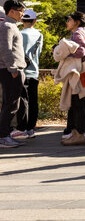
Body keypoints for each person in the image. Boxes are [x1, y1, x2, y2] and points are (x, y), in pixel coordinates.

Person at [59, 11, 85, 146]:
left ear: (76, 22)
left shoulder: (78, 34)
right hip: (82, 72)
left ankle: (79, 134)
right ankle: (76, 133)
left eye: (69, 20)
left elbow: (81, 51)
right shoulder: (84, 32)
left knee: (77, 104)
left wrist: (65, 53)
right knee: (78, 103)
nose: (67, 22)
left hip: (77, 73)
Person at [0, 0, 27, 149]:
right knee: (11, 105)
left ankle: (5, 134)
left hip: (13, 70)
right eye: (21, 10)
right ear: (12, 11)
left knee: (10, 104)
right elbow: (6, 49)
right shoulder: (7, 26)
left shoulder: (11, 26)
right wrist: (13, 69)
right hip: (10, 71)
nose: (23, 14)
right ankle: (3, 137)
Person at [12, 8, 43, 140]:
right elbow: (39, 52)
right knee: (33, 101)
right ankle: (31, 128)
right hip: (34, 71)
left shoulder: (19, 33)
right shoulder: (39, 35)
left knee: (23, 100)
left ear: (23, 20)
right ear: (34, 21)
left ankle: (22, 128)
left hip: (22, 71)